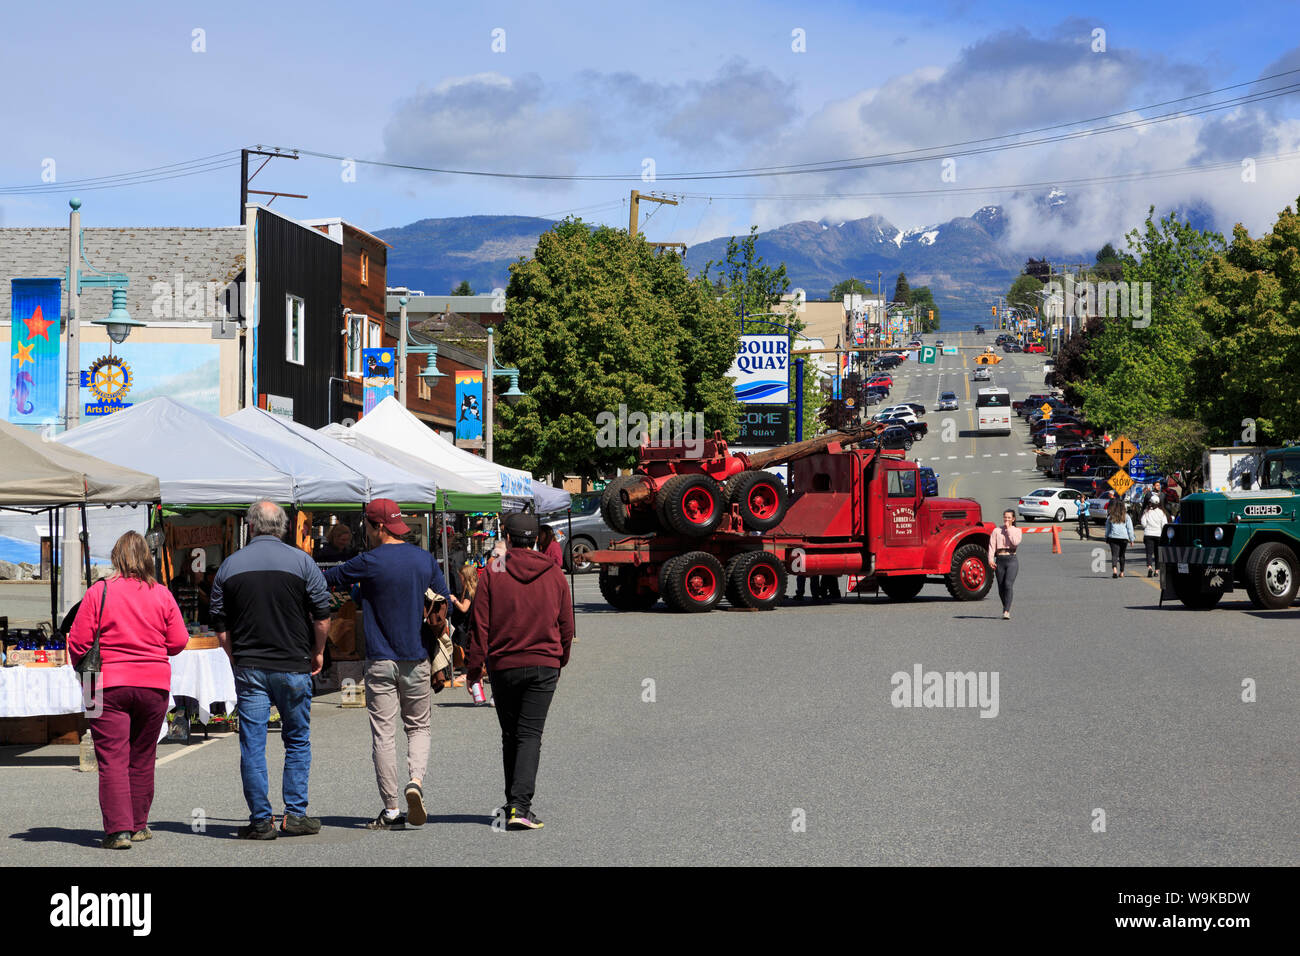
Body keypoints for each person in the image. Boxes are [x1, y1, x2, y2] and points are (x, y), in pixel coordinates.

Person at [323, 499, 449, 831]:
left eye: (366, 526)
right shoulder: (424, 559)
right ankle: (416, 782)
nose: (364, 532)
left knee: (384, 734)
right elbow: (445, 600)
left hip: (379, 659)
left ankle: (391, 809)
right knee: (419, 727)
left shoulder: (368, 561)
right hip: (417, 656)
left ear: (378, 527)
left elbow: (327, 579)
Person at [210, 501, 332, 839]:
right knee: (296, 740)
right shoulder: (303, 563)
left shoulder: (229, 567)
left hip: (250, 666)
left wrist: (236, 655)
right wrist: (318, 651)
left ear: (251, 527)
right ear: (282, 527)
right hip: (293, 665)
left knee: (253, 743)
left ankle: (261, 820)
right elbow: (322, 615)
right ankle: (294, 814)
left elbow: (220, 627)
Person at [67, 531, 190, 849]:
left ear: (116, 557)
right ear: (147, 558)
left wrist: (86, 677)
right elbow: (178, 642)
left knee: (111, 758)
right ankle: (138, 825)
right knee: (143, 756)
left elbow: (78, 643)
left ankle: (118, 831)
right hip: (153, 684)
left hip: (103, 685)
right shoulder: (161, 593)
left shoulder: (99, 591)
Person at [468, 513, 574, 831]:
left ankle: (514, 803)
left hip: (504, 664)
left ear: (508, 538)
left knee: (511, 734)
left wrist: (474, 670)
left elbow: (479, 625)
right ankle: (519, 806)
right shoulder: (553, 571)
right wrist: (561, 659)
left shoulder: (493, 572)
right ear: (536, 539)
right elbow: (566, 623)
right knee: (529, 735)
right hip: (544, 662)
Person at [987, 509, 1022, 620]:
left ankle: (1007, 611)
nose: (1006, 519)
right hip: (1000, 560)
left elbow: (1015, 542)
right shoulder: (996, 530)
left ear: (1013, 519)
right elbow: (992, 546)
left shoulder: (1017, 531)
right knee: (1001, 587)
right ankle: (1005, 605)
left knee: (1008, 584)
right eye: (1005, 517)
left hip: (1012, 559)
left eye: (1009, 517)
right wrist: (990, 559)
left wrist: (1008, 530)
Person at [1104, 496, 1135, 578]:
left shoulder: (1111, 516)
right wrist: (1132, 539)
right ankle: (1122, 572)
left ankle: (1114, 570)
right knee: (1122, 555)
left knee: (1114, 554)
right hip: (1124, 538)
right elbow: (1130, 528)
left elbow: (1107, 528)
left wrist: (1106, 537)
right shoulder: (1126, 516)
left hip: (1113, 537)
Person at [1140, 494, 1168, 578]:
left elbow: (1143, 523)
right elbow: (1164, 525)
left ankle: (1149, 567)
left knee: (1149, 553)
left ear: (1150, 503)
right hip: (1158, 535)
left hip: (1148, 534)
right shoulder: (1162, 512)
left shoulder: (1147, 511)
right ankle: (1157, 571)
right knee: (1157, 553)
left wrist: (1147, 526)